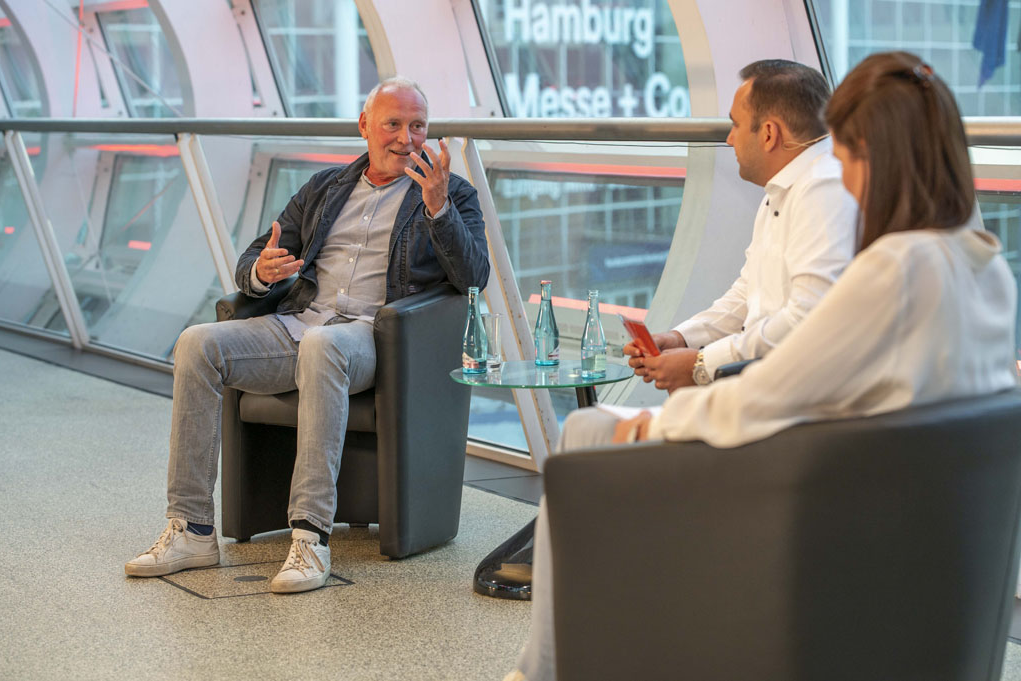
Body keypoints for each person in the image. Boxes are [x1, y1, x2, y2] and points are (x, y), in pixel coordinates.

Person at [506, 52, 1018, 681]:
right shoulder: (985, 267)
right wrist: (685, 349)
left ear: (879, 158)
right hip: (896, 508)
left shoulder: (895, 269)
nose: (845, 175)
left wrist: (662, 420)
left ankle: (541, 672)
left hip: (806, 500)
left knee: (586, 435)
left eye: (850, 153)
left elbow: (776, 388)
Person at [125, 77, 489, 594]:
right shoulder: (325, 187)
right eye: (393, 124)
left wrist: (439, 211)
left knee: (323, 347)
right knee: (197, 343)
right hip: (302, 322)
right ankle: (193, 529)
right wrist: (263, 272)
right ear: (364, 127)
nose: (407, 138)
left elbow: (474, 279)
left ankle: (310, 535)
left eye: (418, 126)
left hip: (374, 338)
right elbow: (254, 256)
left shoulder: (451, 194)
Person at [626, 59, 857, 393]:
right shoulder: (785, 189)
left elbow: (807, 318)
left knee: (601, 430)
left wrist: (702, 364)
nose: (730, 139)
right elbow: (748, 293)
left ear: (768, 133)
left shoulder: (823, 189)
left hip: (801, 394)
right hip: (769, 382)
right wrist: (680, 338)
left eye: (735, 124)